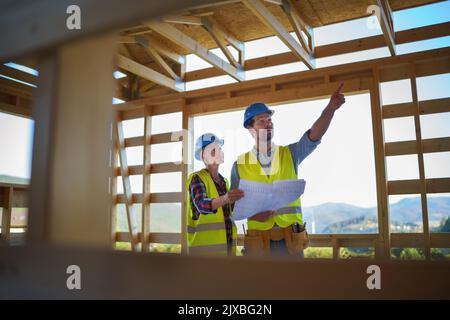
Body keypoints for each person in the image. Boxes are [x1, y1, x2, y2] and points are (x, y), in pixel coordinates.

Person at [230, 84, 346, 256]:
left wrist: (331, 108)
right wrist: (254, 216)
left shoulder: (290, 154)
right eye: (261, 121)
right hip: (259, 242)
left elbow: (315, 134)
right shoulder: (239, 165)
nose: (268, 124)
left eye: (269, 120)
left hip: (291, 240)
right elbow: (232, 205)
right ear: (250, 128)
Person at [186, 133, 245, 256]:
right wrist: (225, 198)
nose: (219, 152)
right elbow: (202, 205)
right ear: (203, 156)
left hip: (228, 250)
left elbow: (230, 212)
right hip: (204, 254)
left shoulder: (225, 182)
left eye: (219, 149)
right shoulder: (196, 178)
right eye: (213, 149)